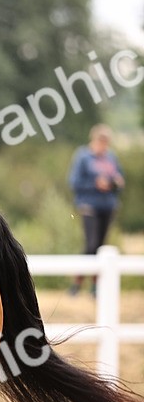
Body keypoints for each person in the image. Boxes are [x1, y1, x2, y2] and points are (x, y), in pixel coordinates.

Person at [68, 123, 125, 295]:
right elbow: (74, 182)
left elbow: (120, 181)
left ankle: (95, 286)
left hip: (107, 205)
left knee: (101, 247)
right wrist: (95, 184)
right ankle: (77, 283)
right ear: (94, 139)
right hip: (89, 206)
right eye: (102, 141)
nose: (104, 145)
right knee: (90, 245)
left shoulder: (111, 158)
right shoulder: (83, 157)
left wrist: (115, 183)